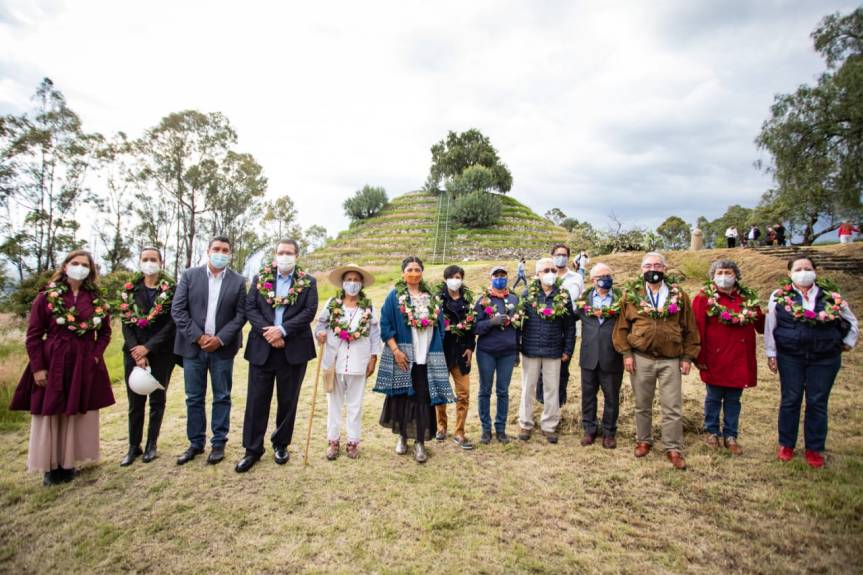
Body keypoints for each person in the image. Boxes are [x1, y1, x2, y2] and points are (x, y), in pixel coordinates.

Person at [11, 250, 114, 486]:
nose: (79, 267)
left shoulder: (95, 299)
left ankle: (69, 462)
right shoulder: (47, 296)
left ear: (91, 270)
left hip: (84, 360)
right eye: (75, 263)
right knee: (52, 409)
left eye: (84, 264)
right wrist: (38, 367)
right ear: (66, 266)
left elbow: (105, 332)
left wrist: (96, 356)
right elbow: (34, 336)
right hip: (54, 358)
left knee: (77, 409)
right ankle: (50, 466)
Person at [765, 256, 858, 468]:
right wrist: (771, 353)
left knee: (817, 401)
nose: (803, 272)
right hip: (791, 355)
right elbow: (771, 325)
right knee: (791, 399)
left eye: (807, 268)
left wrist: (848, 342)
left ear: (815, 271)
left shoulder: (830, 296)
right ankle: (786, 444)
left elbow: (851, 320)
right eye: (798, 269)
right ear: (789, 274)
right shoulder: (780, 296)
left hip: (825, 357)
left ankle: (814, 448)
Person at [612, 252, 700, 470]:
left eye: (658, 266)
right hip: (641, 359)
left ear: (665, 270)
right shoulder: (631, 296)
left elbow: (690, 328)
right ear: (642, 270)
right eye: (648, 266)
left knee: (672, 406)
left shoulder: (679, 296)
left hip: (671, 359)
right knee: (642, 404)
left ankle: (673, 447)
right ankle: (644, 440)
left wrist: (688, 356)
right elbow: (622, 328)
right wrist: (627, 354)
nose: (653, 269)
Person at [236, 239, 318, 472]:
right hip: (262, 348)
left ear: (296, 256)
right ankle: (252, 449)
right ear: (275, 255)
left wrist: (282, 330)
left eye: (289, 253)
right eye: (281, 252)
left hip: (293, 349)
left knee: (288, 400)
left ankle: (281, 444)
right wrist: (270, 333)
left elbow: (309, 311)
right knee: (256, 400)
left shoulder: (308, 282)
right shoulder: (260, 279)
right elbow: (250, 307)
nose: (284, 256)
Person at [171, 236, 247, 466]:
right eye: (216, 249)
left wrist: (220, 339)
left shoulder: (238, 281)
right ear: (208, 251)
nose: (220, 253)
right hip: (193, 349)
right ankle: (195, 443)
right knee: (194, 397)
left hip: (222, 349)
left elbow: (241, 315)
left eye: (225, 250)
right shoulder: (190, 276)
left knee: (222, 396)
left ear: (230, 254)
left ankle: (218, 443)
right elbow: (178, 309)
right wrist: (199, 336)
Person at [374, 256, 455, 463]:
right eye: (409, 269)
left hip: (426, 356)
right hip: (404, 355)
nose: (413, 273)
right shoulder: (394, 296)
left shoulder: (431, 297)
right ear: (403, 273)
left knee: (423, 398)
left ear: (422, 272)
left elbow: (440, 325)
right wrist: (395, 350)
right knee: (402, 396)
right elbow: (386, 325)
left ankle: (420, 441)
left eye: (417, 269)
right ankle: (402, 437)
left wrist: (435, 349)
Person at [692, 259, 764, 455]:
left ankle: (731, 435)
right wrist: (699, 357)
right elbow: (697, 327)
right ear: (713, 275)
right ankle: (712, 432)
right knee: (713, 397)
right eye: (720, 272)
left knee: (734, 399)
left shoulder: (747, 298)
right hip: (715, 357)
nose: (724, 276)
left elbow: (761, 324)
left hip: (739, 358)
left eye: (728, 272)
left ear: (736, 275)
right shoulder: (703, 298)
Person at [118, 247, 178, 466]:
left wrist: (149, 348)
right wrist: (137, 350)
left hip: (161, 352)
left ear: (161, 262)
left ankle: (152, 444)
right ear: (139, 261)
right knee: (135, 402)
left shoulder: (170, 289)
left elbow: (172, 323)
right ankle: (134, 446)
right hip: (133, 353)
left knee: (157, 399)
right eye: (145, 259)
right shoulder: (129, 290)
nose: (149, 262)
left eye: (153, 259)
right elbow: (125, 323)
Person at [316, 264, 379, 460]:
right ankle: (333, 442)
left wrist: (373, 357)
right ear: (343, 283)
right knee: (333, 405)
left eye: (356, 280)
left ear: (361, 284)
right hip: (334, 362)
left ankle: (353, 442)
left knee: (355, 405)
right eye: (349, 280)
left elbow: (375, 334)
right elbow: (320, 324)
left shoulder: (368, 307)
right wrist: (320, 334)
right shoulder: (332, 304)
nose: (352, 284)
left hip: (359, 361)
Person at [518, 257, 576, 444]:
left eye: (553, 270)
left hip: (554, 350)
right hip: (530, 348)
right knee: (528, 388)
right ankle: (525, 423)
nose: (550, 273)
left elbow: (569, 327)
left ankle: (549, 425)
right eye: (546, 270)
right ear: (537, 274)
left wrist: (568, 348)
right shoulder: (527, 294)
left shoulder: (564, 295)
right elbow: (520, 323)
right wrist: (517, 347)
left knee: (552, 388)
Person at [574, 263, 624, 449]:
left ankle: (609, 432)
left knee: (611, 396)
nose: (605, 278)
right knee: (588, 395)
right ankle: (589, 429)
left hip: (612, 356)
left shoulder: (621, 300)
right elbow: (570, 319)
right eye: (601, 275)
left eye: (608, 274)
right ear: (593, 280)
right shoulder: (583, 301)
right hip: (588, 356)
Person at [474, 266, 521, 444]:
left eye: (503, 275)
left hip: (507, 353)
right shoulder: (483, 300)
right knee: (485, 390)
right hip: (487, 352)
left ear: (508, 278)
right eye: (496, 276)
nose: (500, 278)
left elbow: (519, 328)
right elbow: (475, 327)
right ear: (491, 278)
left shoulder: (515, 299)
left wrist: (517, 351)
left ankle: (500, 429)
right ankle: (486, 429)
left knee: (503, 391)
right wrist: (491, 323)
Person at [434, 265, 477, 449]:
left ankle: (460, 431)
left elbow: (472, 326)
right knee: (441, 393)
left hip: (460, 352)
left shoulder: (467, 301)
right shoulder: (437, 301)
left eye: (458, 276)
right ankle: (441, 426)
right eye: (451, 277)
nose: (455, 279)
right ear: (445, 279)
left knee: (463, 394)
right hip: (442, 351)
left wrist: (470, 347)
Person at [536, 243, 583, 407]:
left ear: (568, 257)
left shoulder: (576, 278)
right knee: (543, 371)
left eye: (564, 254)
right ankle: (542, 402)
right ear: (552, 255)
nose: (561, 257)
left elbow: (578, 302)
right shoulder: (542, 276)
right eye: (558, 254)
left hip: (568, 327)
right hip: (546, 329)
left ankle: (559, 402)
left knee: (562, 369)